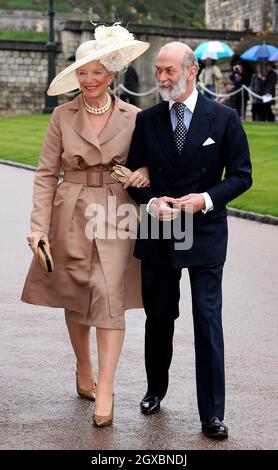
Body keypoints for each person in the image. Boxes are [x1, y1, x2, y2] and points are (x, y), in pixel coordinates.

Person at [21, 24, 150, 428]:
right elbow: (45, 174)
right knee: (77, 293)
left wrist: (144, 169)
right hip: (70, 209)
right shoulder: (62, 115)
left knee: (109, 295)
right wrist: (38, 227)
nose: (89, 80)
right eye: (82, 73)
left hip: (116, 210)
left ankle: (106, 389)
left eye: (96, 72)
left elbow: (153, 160)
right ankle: (84, 368)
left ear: (111, 74)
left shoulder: (135, 116)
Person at [125, 42, 252, 439]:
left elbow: (242, 175)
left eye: (169, 71)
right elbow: (132, 177)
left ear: (192, 71)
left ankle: (212, 414)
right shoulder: (147, 120)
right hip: (161, 230)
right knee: (159, 318)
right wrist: (150, 201)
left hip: (206, 230)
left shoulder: (225, 118)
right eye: (159, 71)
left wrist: (206, 199)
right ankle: (155, 389)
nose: (162, 78)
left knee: (207, 320)